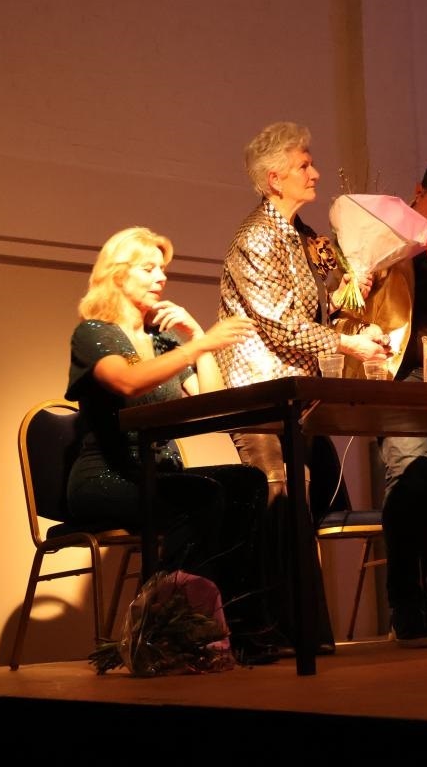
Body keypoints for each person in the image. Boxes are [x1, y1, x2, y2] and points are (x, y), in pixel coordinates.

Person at [215, 121, 389, 656]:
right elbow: (280, 325)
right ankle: (271, 634)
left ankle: (305, 635)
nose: (315, 173)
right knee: (278, 504)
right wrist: (349, 345)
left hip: (295, 394)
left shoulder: (302, 235)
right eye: (304, 165)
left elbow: (315, 308)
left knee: (299, 506)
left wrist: (351, 295)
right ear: (274, 178)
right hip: (260, 394)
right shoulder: (256, 238)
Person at [64, 226, 276, 663]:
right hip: (107, 476)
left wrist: (197, 339)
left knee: (248, 482)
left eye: (162, 269)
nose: (161, 277)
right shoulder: (94, 333)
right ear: (118, 274)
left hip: (160, 475)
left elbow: (209, 404)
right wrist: (199, 345)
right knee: (202, 497)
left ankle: (240, 627)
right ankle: (167, 630)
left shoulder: (163, 342)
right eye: (148, 268)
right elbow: (127, 381)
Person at [335, 156, 427, 647]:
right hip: (398, 371)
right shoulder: (384, 229)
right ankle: (404, 604)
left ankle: (419, 599)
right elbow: (346, 298)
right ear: (419, 190)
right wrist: (360, 280)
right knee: (411, 476)